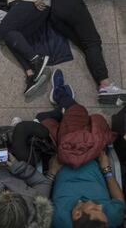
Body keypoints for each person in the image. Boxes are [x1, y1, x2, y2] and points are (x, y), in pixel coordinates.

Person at [42, 0, 126, 105]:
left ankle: (104, 88)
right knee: (93, 41)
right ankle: (105, 85)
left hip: (59, 11)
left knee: (88, 46)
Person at [36, 69, 125, 227]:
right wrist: (106, 169)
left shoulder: (58, 220)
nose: (101, 206)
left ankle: (63, 101)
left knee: (77, 118)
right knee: (85, 124)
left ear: (77, 214)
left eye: (95, 208)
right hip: (92, 156)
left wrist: (51, 173)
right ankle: (63, 105)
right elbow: (119, 202)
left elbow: (40, 204)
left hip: (63, 157)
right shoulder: (107, 220)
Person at [38, 69, 116, 169]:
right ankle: (64, 105)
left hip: (70, 147)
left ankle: (60, 95)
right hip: (74, 154)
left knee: (77, 111)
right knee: (43, 119)